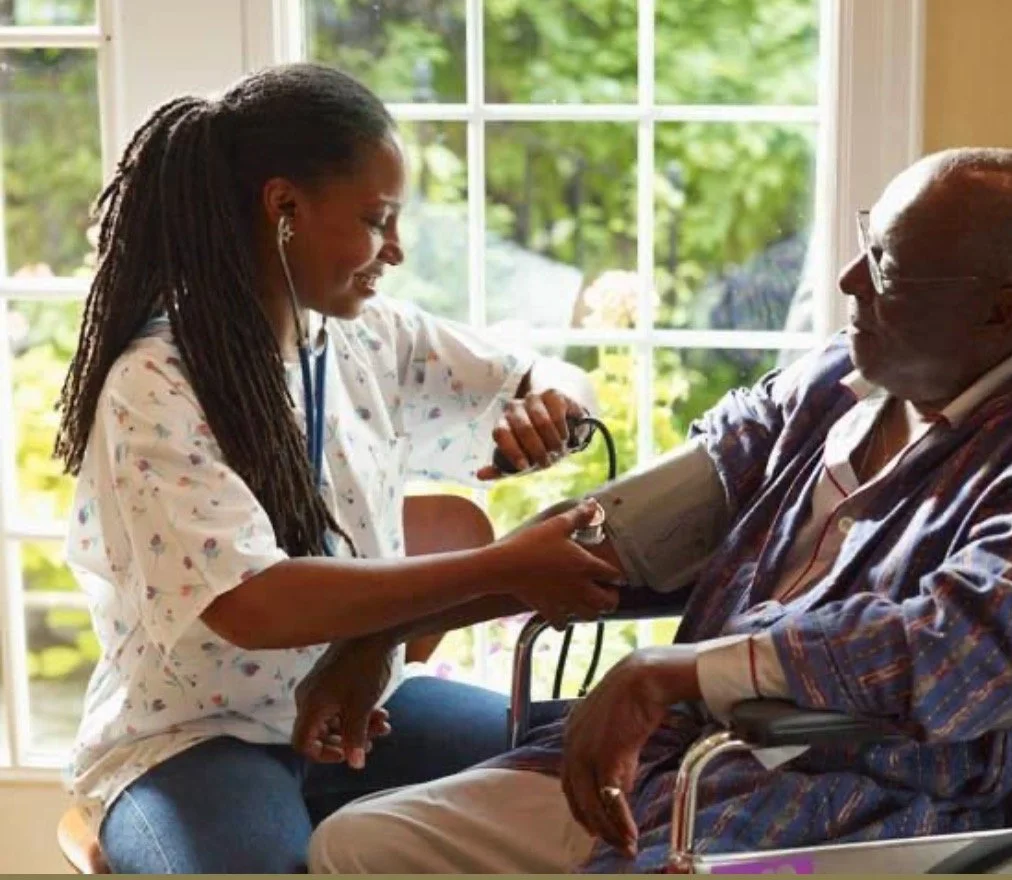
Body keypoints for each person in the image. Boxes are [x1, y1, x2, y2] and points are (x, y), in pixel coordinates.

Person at [308, 147, 1012, 874]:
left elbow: (958, 650)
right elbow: (627, 528)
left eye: (891, 268)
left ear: (999, 312)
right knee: (361, 845)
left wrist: (677, 670)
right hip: (678, 761)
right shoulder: (839, 378)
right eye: (870, 242)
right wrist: (383, 631)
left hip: (870, 795)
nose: (848, 278)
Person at [53, 62, 626, 874]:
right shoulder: (155, 384)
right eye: (375, 219)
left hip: (375, 712)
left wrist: (555, 410)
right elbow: (255, 604)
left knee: (601, 765)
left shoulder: (368, 338)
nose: (395, 249)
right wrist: (505, 568)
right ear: (284, 208)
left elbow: (552, 376)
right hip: (193, 744)